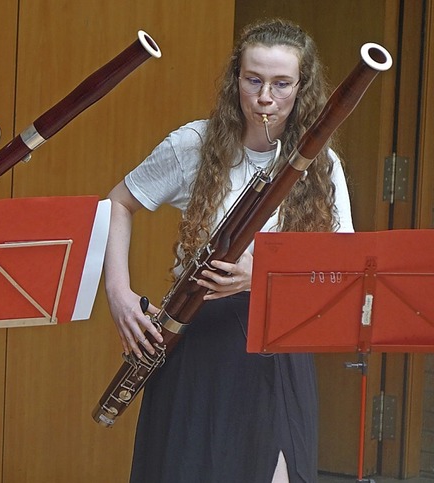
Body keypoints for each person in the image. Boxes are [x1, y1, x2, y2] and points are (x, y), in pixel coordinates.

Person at [104, 18, 354, 483]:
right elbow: (117, 204)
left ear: (302, 87)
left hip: (277, 344)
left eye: (282, 84)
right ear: (235, 78)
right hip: (196, 336)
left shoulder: (320, 163)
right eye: (253, 80)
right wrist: (119, 294)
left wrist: (262, 272)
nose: (265, 97)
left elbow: (340, 267)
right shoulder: (193, 145)